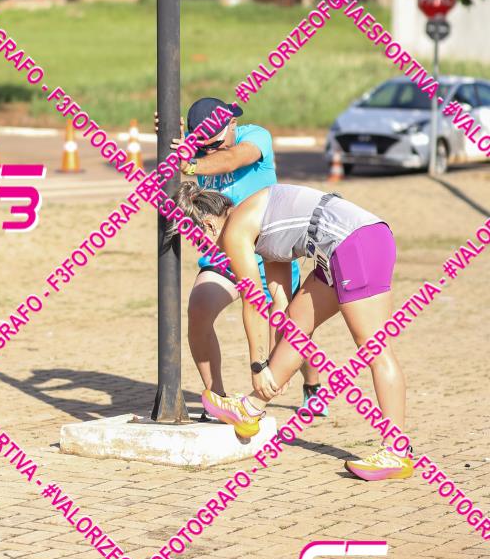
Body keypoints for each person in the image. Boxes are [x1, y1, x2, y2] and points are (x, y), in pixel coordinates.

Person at [171, 180, 411, 481]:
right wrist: (276, 367)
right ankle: (251, 408)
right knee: (298, 320)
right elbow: (280, 305)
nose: (204, 248)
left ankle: (396, 452)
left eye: (198, 240)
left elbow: (253, 301)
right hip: (341, 248)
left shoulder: (235, 232)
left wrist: (259, 366)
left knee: (374, 348)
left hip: (356, 242)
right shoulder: (257, 226)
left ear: (208, 225)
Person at [155, 97, 326, 417]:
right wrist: (168, 131)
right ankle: (217, 399)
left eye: (215, 143)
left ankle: (313, 385)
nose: (210, 150)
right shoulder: (201, 146)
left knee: (288, 333)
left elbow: (232, 159)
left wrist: (190, 164)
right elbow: (187, 147)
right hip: (223, 253)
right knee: (198, 310)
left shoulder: (256, 138)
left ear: (232, 124)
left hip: (268, 253)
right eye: (203, 145)